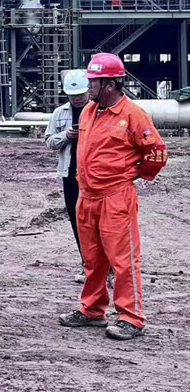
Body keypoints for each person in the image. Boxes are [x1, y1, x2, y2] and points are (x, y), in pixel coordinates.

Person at [59, 53, 167, 341]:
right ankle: (92, 309)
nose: (89, 87)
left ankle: (131, 317)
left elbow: (157, 153)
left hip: (115, 197)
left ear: (110, 84)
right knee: (92, 259)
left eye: (93, 82)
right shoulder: (88, 112)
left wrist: (131, 174)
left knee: (123, 260)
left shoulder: (133, 115)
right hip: (87, 196)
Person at [45, 69, 90, 284]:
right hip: (69, 175)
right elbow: (49, 141)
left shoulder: (98, 110)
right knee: (76, 220)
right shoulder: (59, 113)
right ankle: (87, 264)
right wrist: (66, 135)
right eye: (73, 96)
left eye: (80, 95)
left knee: (96, 223)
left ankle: (106, 267)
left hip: (93, 176)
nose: (77, 99)